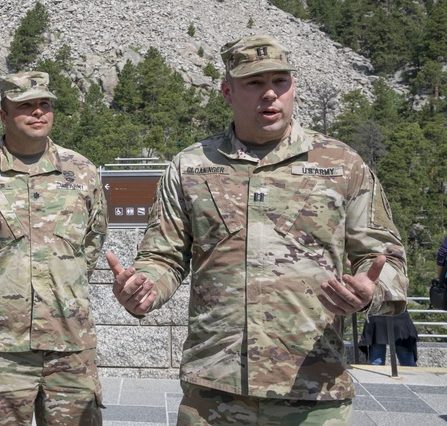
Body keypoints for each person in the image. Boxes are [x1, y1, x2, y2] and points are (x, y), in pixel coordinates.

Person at [107, 35, 409, 425]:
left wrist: (371, 291)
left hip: (313, 391)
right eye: (254, 83)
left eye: (280, 81)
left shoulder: (341, 164)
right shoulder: (191, 166)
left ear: (293, 86)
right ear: (228, 91)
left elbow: (388, 259)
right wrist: (144, 287)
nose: (270, 94)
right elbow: (164, 257)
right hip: (213, 393)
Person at [0, 72, 108, 425]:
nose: (37, 112)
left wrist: (60, 285)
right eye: (25, 105)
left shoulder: (82, 172)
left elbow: (91, 245)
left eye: (44, 104)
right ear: (3, 114)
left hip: (69, 342)